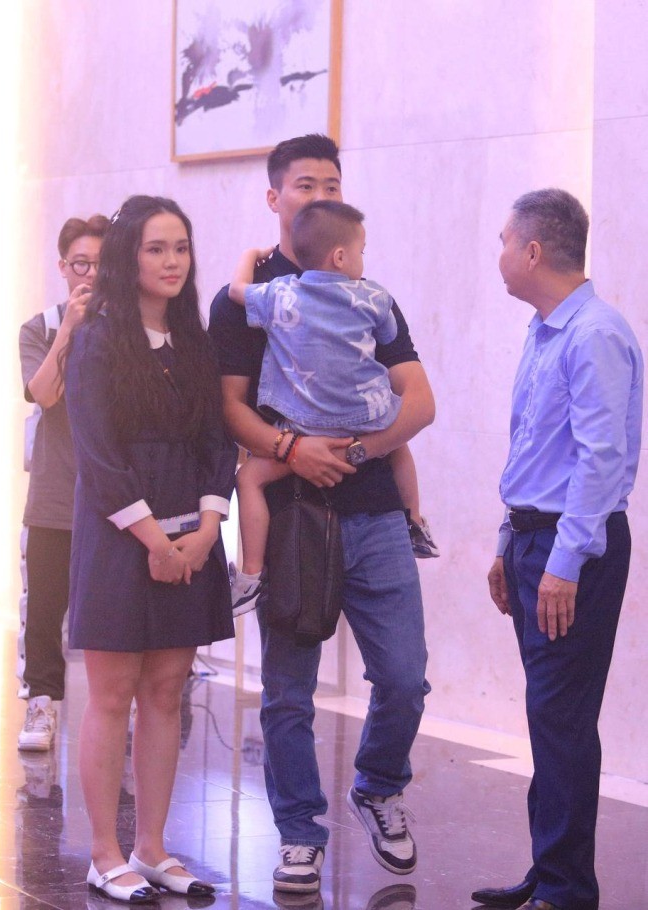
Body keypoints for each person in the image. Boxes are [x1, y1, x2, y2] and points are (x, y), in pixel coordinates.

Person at [209, 133, 434, 895]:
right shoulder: (248, 299)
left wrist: (360, 451)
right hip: (291, 513)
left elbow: (418, 401)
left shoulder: (368, 293)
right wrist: (291, 448)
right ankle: (299, 835)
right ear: (275, 197)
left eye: (331, 183)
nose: (319, 194)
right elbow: (228, 408)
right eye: (305, 184)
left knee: (403, 679)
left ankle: (377, 785)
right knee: (288, 694)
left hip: (374, 515)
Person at [473, 189, 643, 910]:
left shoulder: (593, 334)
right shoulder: (545, 331)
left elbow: (601, 461)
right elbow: (534, 450)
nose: (500, 254)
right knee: (548, 714)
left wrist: (563, 564)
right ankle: (549, 870)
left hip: (573, 545)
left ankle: (568, 889)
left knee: (562, 716)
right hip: (533, 536)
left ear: (534, 250)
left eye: (505, 241)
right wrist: (506, 542)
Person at [65, 195, 237, 903]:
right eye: (156, 248)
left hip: (190, 538)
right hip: (119, 540)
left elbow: (216, 443)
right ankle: (104, 854)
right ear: (126, 255)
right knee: (112, 696)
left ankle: (152, 846)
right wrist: (155, 541)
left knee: (166, 693)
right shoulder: (97, 340)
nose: (172, 262)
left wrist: (205, 530)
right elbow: (99, 456)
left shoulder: (195, 341)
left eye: (181, 248)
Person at [227, 199, 438, 614]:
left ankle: (251, 574)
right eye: (362, 251)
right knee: (397, 444)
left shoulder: (281, 294)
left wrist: (250, 255)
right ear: (340, 257)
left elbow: (236, 292)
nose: (363, 260)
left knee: (249, 478)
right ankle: (414, 521)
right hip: (366, 419)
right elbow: (388, 335)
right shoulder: (374, 296)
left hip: (303, 432)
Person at [17, 214, 110, 751]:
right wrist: (71, 329)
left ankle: (116, 711)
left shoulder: (130, 326)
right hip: (55, 496)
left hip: (114, 497)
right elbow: (45, 394)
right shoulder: (41, 327)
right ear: (63, 267)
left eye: (100, 263)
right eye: (81, 264)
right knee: (45, 612)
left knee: (113, 614)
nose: (91, 274)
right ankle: (42, 705)